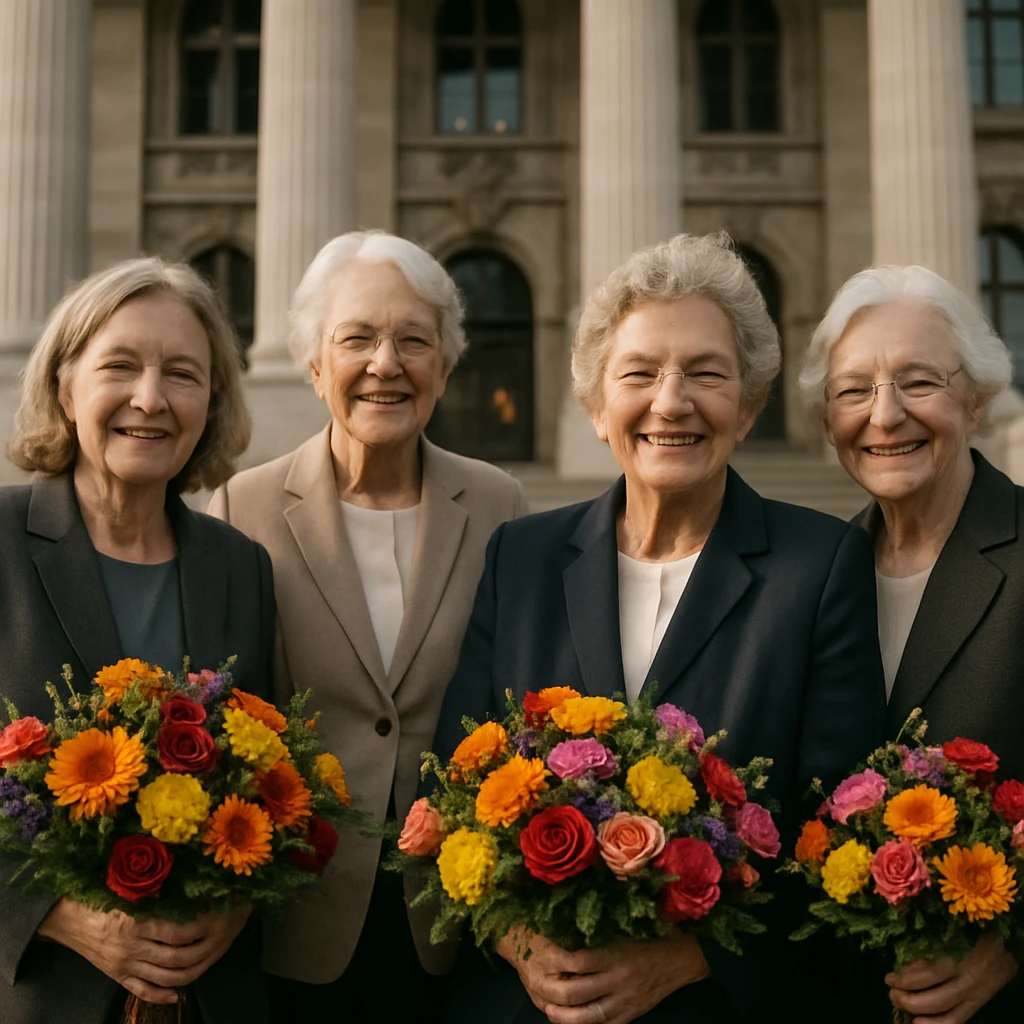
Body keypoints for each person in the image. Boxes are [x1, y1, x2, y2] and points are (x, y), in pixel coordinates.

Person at [432, 232, 886, 1024]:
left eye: (706, 373)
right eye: (639, 373)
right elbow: (452, 790)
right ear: (597, 404)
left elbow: (833, 835)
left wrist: (685, 960)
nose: (671, 401)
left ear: (748, 403)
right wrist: (520, 946)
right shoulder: (523, 558)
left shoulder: (819, 567)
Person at [208, 230, 525, 1022]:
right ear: (315, 365)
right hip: (294, 919)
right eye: (357, 339)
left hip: (463, 921)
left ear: (445, 368)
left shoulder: (502, 508)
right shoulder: (242, 510)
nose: (386, 364)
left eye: (413, 341)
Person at [0, 258, 276, 1024]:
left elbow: (274, 783)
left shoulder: (240, 566)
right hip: (38, 996)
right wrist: (53, 913)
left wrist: (239, 901)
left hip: (211, 999)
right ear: (65, 388)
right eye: (120, 366)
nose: (149, 399)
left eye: (182, 374)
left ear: (211, 402)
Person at [800, 265, 1023, 1024]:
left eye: (918, 382)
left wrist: (1013, 942)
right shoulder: (813, 577)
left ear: (977, 395)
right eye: (853, 390)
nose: (884, 416)